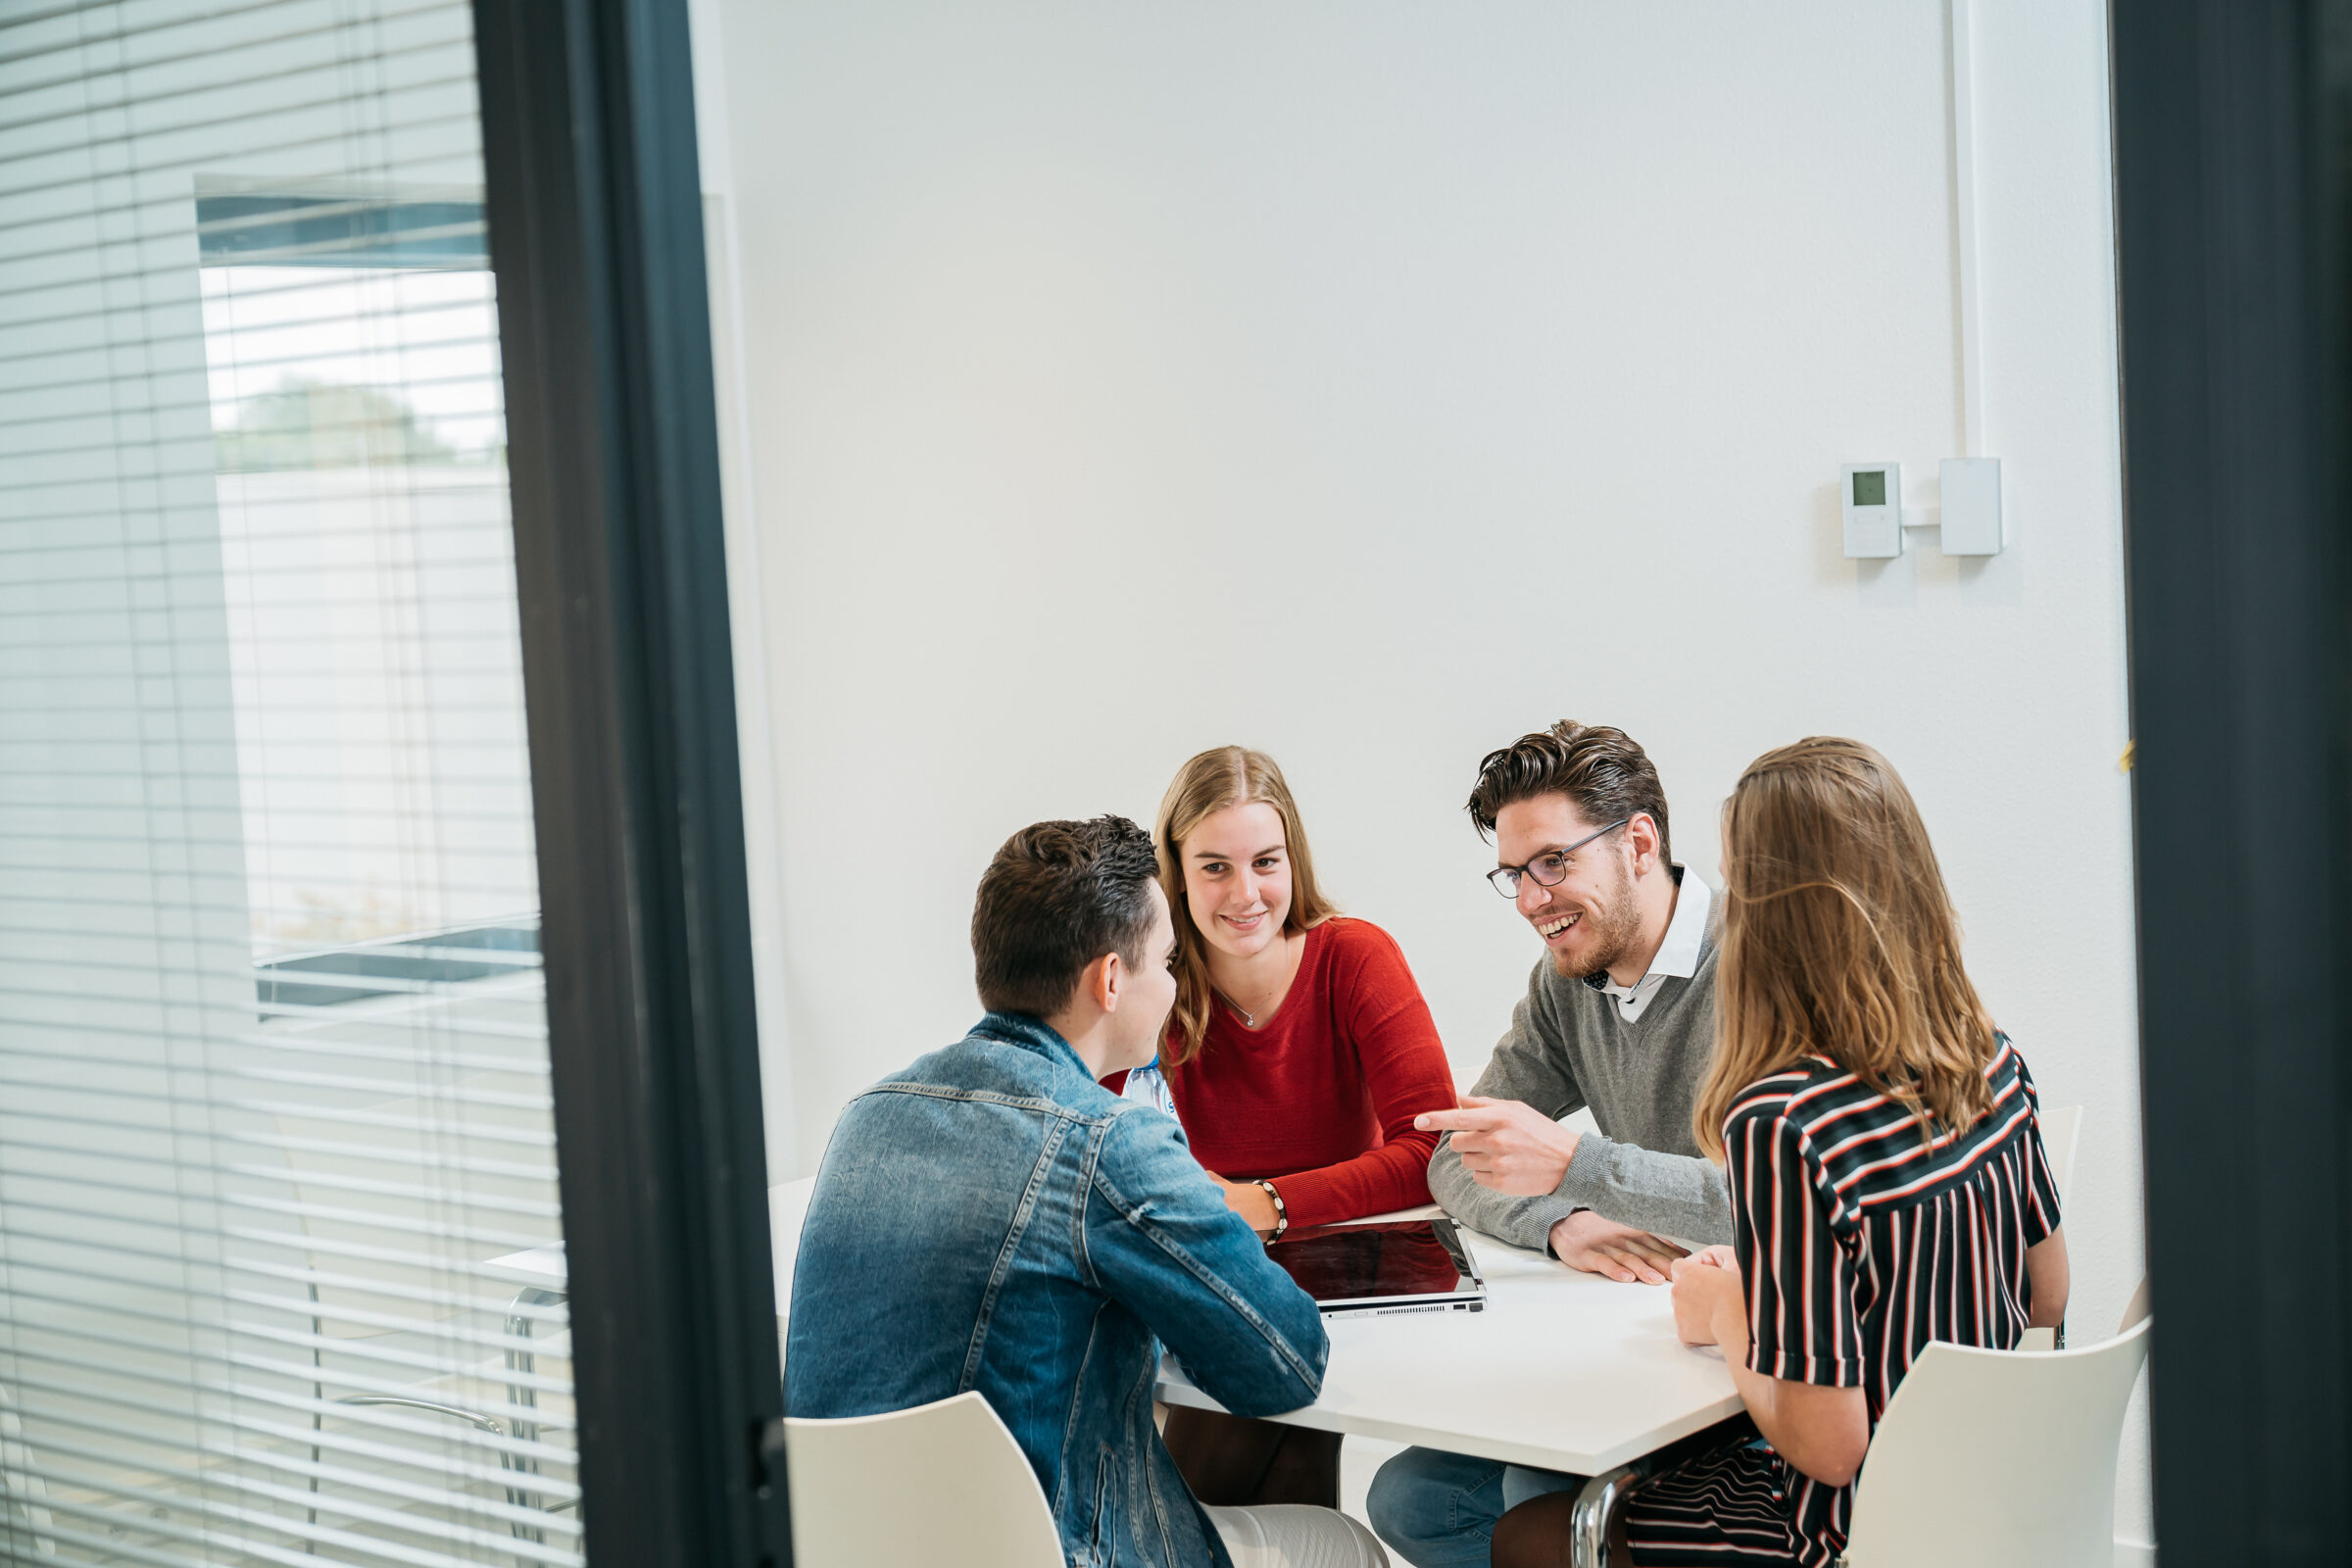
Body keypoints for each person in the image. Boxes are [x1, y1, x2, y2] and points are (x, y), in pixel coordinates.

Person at [1489, 737, 2068, 1568]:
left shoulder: (1784, 1122)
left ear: (1778, 909)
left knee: (1529, 1534)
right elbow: (2047, 1298)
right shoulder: (1991, 1059)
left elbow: (1828, 1450)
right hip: (1981, 1501)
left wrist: (1729, 1313)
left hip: (1851, 1529)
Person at [787, 815, 1388, 1568]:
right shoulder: (1109, 1140)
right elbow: (1284, 1363)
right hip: (1057, 1551)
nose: (1174, 986)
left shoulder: (867, 1115)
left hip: (852, 1550)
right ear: (1110, 979)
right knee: (1344, 1546)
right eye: (1168, 962)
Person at [1368, 721, 1733, 1568]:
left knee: (1545, 1497)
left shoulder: (1762, 965)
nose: (1532, 900)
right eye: (1514, 875)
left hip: (1755, 1363)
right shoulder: (1567, 979)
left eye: (1553, 864)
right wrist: (1565, 1217)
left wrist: (1583, 1168)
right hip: (1647, 1337)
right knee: (1407, 1500)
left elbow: (1783, 1201)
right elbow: (1456, 1153)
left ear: (1639, 843)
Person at [1124, 747, 1458, 1510]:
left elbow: (1431, 1148)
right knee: (1273, 1496)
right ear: (1174, 873)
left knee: (1230, 1493)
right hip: (1222, 1283)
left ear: (1292, 860)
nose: (1245, 893)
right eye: (1214, 867)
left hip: (1350, 1281)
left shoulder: (1353, 957)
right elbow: (1095, 1127)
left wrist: (1266, 1201)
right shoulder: (1156, 984)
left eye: (1265, 861)